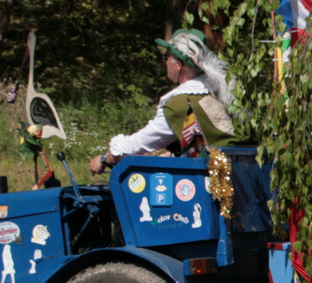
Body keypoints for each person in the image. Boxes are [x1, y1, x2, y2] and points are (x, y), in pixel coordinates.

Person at [89, 28, 236, 175]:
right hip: (238, 173)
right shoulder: (219, 92)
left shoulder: (179, 104)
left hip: (211, 184)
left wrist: (107, 157)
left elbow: (145, 140)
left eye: (166, 57)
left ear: (178, 64)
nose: (165, 62)